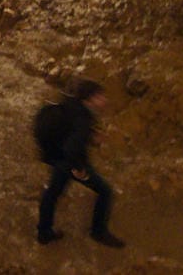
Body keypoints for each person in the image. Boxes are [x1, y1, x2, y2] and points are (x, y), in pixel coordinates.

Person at [35, 79, 123, 248]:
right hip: (69, 162)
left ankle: (44, 233)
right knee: (105, 191)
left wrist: (89, 137)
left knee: (52, 194)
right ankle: (99, 232)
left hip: (56, 156)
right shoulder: (84, 118)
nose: (104, 100)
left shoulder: (71, 105)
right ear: (89, 99)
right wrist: (79, 169)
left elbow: (70, 131)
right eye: (100, 96)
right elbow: (72, 147)